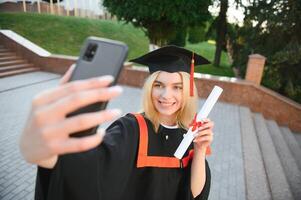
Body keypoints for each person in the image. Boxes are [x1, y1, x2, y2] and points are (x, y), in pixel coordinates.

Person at [19, 45, 214, 200]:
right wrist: (45, 152)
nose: (166, 95)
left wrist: (199, 149)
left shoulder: (189, 134)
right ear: (149, 88)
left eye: (177, 87)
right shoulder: (131, 128)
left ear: (188, 91)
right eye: (158, 85)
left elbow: (195, 195)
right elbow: (88, 167)